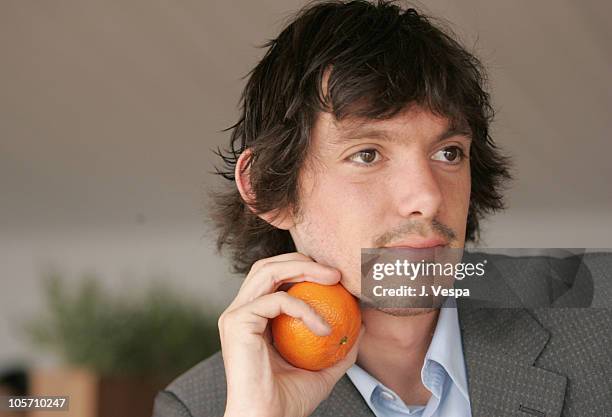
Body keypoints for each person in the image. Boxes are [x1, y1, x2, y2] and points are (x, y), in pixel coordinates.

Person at [152, 1, 612, 416]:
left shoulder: (601, 315)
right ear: (269, 189)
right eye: (367, 154)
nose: (428, 196)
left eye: (448, 152)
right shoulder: (203, 407)